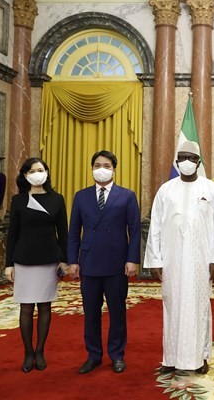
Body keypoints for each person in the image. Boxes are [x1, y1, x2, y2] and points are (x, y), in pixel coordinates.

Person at [144, 140, 214, 375]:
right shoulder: (166, 190)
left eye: (191, 159)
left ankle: (200, 358)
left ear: (199, 162)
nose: (187, 162)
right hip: (172, 261)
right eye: (182, 158)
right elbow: (156, 227)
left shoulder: (211, 189)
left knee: (199, 307)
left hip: (201, 261)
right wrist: (155, 260)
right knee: (172, 306)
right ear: (176, 162)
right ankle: (170, 358)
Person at [68, 150, 141, 374]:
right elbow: (73, 232)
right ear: (91, 168)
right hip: (89, 262)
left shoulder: (127, 195)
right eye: (97, 164)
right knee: (91, 312)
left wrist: (132, 259)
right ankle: (93, 355)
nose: (101, 168)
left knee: (117, 311)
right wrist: (72, 260)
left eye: (106, 165)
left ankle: (117, 355)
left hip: (117, 263)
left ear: (114, 169)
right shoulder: (81, 196)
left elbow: (135, 230)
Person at [5, 157, 68, 373]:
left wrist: (65, 260)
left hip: (48, 258)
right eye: (32, 170)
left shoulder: (57, 199)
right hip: (23, 259)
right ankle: (28, 352)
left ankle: (40, 351)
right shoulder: (18, 200)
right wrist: (9, 264)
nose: (37, 173)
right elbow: (12, 234)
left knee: (44, 306)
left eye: (41, 169)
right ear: (25, 175)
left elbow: (64, 233)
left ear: (47, 173)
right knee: (26, 306)